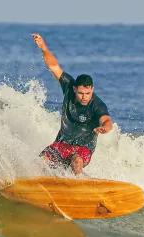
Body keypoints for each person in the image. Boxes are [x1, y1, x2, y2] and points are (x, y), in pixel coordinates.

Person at [32, 33, 113, 176]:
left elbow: (106, 120)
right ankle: (32, 184)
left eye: (87, 93)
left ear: (92, 90)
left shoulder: (97, 104)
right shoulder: (69, 87)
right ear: (75, 89)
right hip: (62, 145)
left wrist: (105, 129)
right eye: (81, 93)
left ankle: (77, 188)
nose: (84, 97)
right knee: (41, 161)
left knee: (76, 161)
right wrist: (43, 47)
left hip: (83, 149)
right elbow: (54, 66)